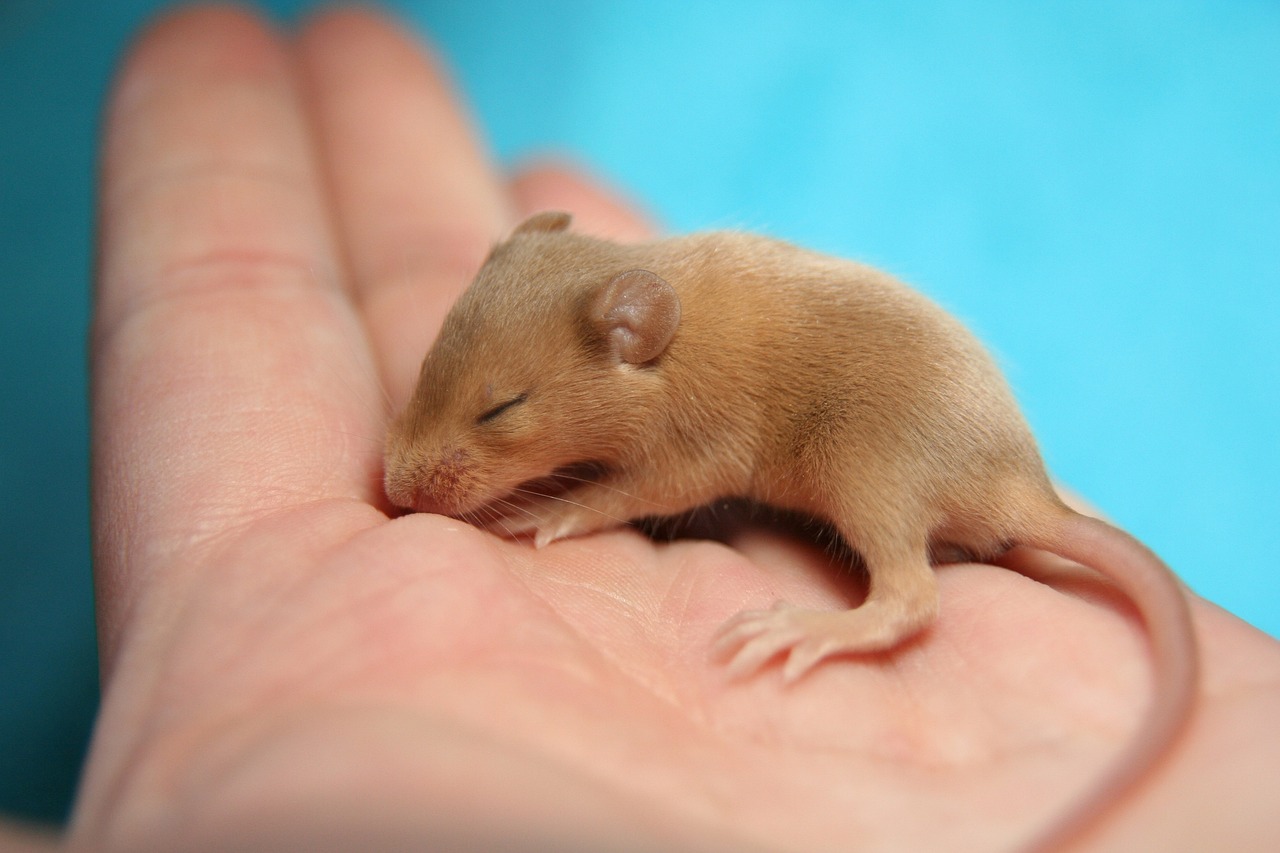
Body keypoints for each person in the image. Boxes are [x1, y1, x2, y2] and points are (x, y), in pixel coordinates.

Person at [24, 5, 1277, 851]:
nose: (422, 464)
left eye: (498, 414)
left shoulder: (686, 368)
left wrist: (586, 501)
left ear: (635, 336)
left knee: (852, 445)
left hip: (925, 436)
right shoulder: (579, 289)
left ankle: (895, 595)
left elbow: (713, 459)